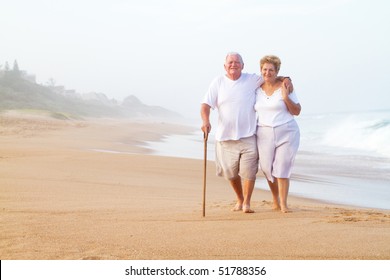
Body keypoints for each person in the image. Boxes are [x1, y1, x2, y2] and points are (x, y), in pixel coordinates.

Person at [200, 52, 291, 213]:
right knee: (230, 174)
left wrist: (286, 79)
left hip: (248, 136)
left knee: (249, 173)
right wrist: (206, 121)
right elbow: (206, 105)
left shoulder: (251, 80)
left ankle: (246, 203)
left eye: (237, 62)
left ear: (243, 65)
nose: (233, 64)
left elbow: (270, 75)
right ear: (224, 66)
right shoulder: (218, 82)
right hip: (225, 138)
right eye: (230, 62)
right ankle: (240, 199)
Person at [255, 55, 301, 213]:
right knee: (267, 168)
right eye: (265, 69)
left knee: (282, 167)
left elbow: (297, 111)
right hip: (264, 132)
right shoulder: (256, 87)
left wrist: (286, 97)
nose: (267, 73)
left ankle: (283, 204)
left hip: (287, 131)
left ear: (277, 72)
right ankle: (275, 200)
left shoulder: (285, 86)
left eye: (271, 70)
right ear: (261, 70)